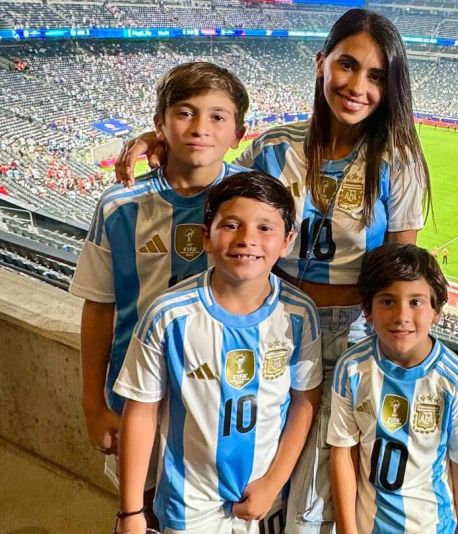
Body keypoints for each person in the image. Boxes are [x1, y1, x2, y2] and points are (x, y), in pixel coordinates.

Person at [114, 10, 431, 532]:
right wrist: (162, 146)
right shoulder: (274, 148)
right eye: (347, 65)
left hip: (352, 337)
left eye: (376, 76)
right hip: (274, 326)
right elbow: (218, 181)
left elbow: (399, 273)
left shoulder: (399, 163)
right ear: (321, 63)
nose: (356, 86)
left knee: (312, 500)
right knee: (248, 471)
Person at [69, 61, 251, 524]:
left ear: (239, 132)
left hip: (220, 401)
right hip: (136, 401)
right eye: (184, 113)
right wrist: (94, 404)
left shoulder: (249, 204)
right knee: (139, 511)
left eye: (217, 117)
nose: (199, 128)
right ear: (160, 124)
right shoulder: (118, 205)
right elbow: (99, 307)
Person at [113, 172, 321, 532]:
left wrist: (273, 482)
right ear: (206, 237)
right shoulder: (169, 315)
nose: (247, 240)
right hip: (188, 503)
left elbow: (304, 401)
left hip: (265, 498)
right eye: (231, 225)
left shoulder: (299, 315)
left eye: (264, 228)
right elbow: (141, 411)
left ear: (287, 241)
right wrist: (131, 511)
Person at [328, 243, 458, 534]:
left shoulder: (453, 381)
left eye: (416, 302)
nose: (402, 316)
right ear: (367, 310)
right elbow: (342, 452)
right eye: (387, 301)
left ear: (436, 310)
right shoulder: (351, 369)